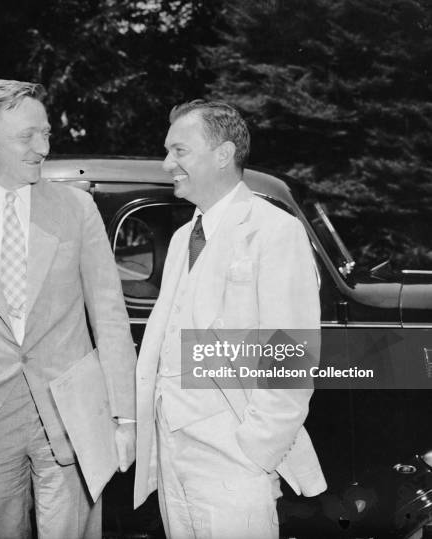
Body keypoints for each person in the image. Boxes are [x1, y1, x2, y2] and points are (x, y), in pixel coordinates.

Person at [0, 79, 136, 539]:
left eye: (46, 134)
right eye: (27, 136)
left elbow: (110, 318)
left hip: (71, 415)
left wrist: (123, 416)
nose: (43, 148)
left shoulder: (78, 210)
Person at [133, 99, 327, 538]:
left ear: (222, 154)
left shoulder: (275, 230)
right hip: (172, 456)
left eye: (179, 151)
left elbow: (291, 355)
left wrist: (255, 450)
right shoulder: (185, 236)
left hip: (235, 461)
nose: (167, 164)